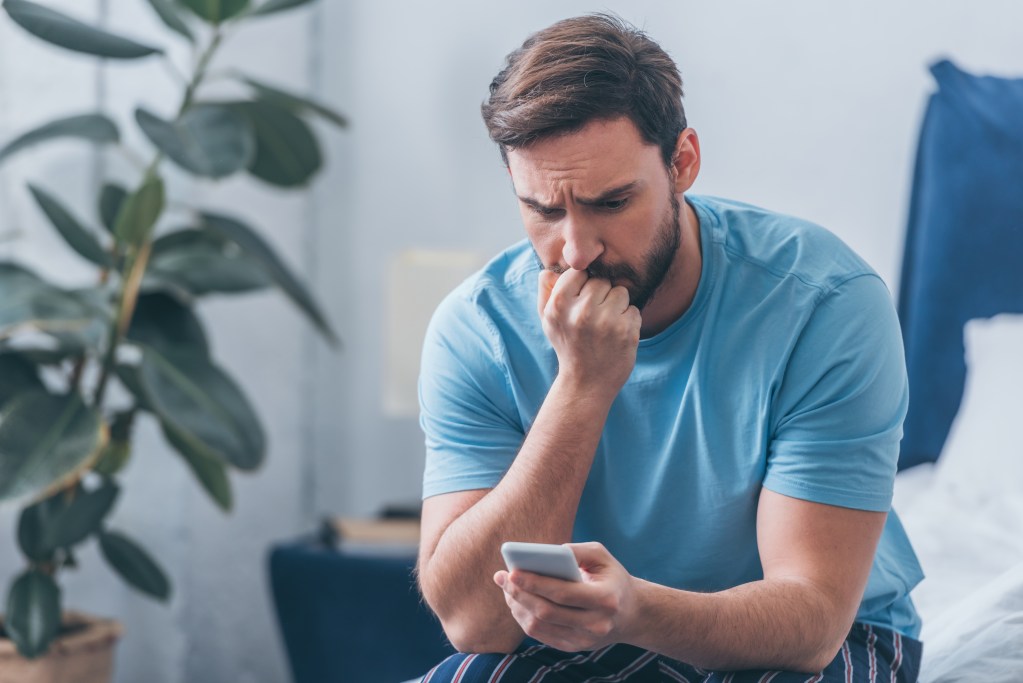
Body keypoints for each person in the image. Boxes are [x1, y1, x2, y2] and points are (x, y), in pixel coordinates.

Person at [415, 13, 923, 682]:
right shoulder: (476, 329)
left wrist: (635, 609)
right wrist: (580, 386)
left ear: (681, 162)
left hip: (816, 641)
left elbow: (812, 619)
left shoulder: (823, 303)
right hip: (586, 638)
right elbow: (474, 622)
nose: (576, 249)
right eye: (542, 208)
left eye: (611, 201)